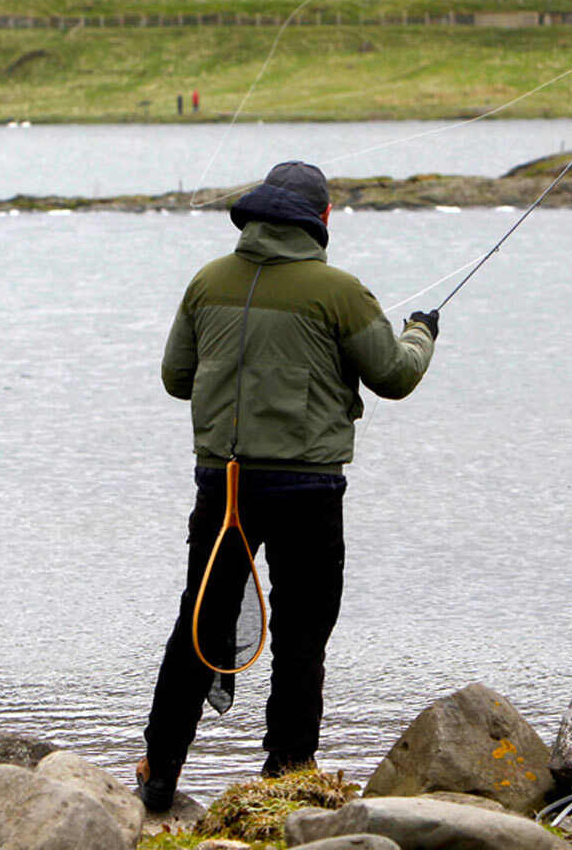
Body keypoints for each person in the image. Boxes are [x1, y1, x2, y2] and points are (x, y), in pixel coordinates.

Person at [137, 161, 439, 811]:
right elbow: (394, 376)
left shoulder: (205, 282)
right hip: (308, 489)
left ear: (256, 215)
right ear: (322, 219)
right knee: (303, 632)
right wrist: (421, 332)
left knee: (200, 625)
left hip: (222, 485)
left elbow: (174, 378)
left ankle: (159, 775)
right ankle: (288, 775)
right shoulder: (340, 292)